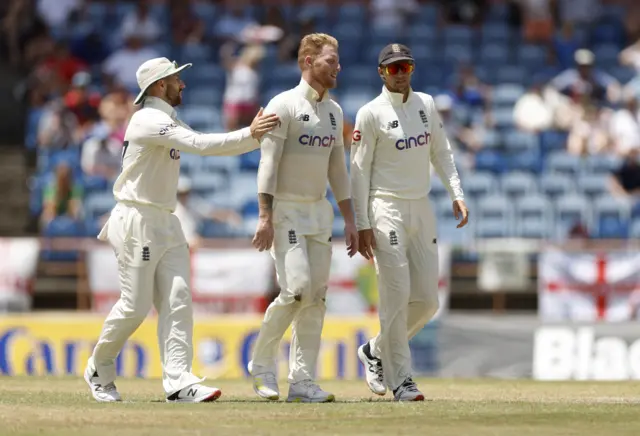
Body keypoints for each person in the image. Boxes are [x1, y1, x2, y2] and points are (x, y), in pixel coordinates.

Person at [84, 57, 279, 403]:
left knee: (178, 300)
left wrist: (253, 137)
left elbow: (205, 146)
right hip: (137, 219)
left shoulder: (166, 118)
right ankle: (99, 367)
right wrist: (251, 133)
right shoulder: (147, 120)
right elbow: (201, 145)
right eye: (177, 79)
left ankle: (179, 380)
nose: (183, 84)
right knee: (135, 306)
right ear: (160, 85)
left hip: (166, 221)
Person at [350, 44, 469, 401]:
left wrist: (456, 192)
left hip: (421, 207)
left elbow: (441, 152)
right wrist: (361, 222)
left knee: (428, 301)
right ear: (381, 73)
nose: (400, 73)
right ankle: (402, 380)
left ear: (412, 69)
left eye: (405, 66)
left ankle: (375, 350)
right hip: (384, 207)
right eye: (393, 68)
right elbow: (357, 172)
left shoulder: (427, 104)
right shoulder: (370, 114)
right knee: (396, 296)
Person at [248, 33, 358, 403]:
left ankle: (302, 381)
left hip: (318, 211)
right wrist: (265, 215)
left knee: (316, 296)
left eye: (338, 61)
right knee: (295, 290)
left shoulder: (335, 112)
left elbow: (338, 171)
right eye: (330, 61)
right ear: (308, 62)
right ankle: (262, 366)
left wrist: (351, 220)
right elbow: (268, 163)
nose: (337, 67)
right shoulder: (284, 104)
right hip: (287, 209)